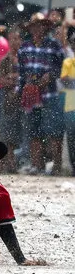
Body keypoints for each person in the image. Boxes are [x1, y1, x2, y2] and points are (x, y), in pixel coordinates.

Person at [18, 13, 65, 175]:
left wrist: (51, 76)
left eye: (41, 25)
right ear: (30, 28)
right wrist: (23, 87)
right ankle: (37, 165)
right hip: (31, 94)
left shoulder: (54, 45)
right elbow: (21, 71)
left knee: (54, 132)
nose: (38, 28)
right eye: (35, 25)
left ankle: (57, 166)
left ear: (46, 27)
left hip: (50, 94)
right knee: (34, 131)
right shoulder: (24, 46)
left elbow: (62, 68)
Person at [0, 26, 23, 173]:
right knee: (7, 134)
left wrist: (15, 79)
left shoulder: (26, 57)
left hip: (24, 101)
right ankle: (10, 164)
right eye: (12, 38)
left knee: (23, 133)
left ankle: (24, 163)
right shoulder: (5, 60)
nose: (15, 41)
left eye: (18, 38)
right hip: (8, 101)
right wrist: (14, 80)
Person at [60, 28, 75, 176]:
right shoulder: (68, 61)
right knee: (71, 137)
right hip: (70, 105)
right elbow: (64, 81)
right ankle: (73, 167)